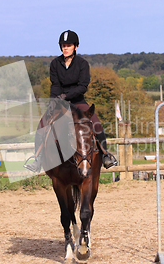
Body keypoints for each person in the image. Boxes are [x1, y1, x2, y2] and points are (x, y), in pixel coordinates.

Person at [24, 30, 117, 172]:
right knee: (42, 126)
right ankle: (37, 159)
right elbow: (55, 84)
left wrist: (65, 96)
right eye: (63, 45)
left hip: (78, 101)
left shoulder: (82, 64)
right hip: (59, 103)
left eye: (68, 45)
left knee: (96, 123)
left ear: (76, 47)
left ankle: (105, 155)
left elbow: (82, 86)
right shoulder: (55, 63)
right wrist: (54, 100)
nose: (65, 48)